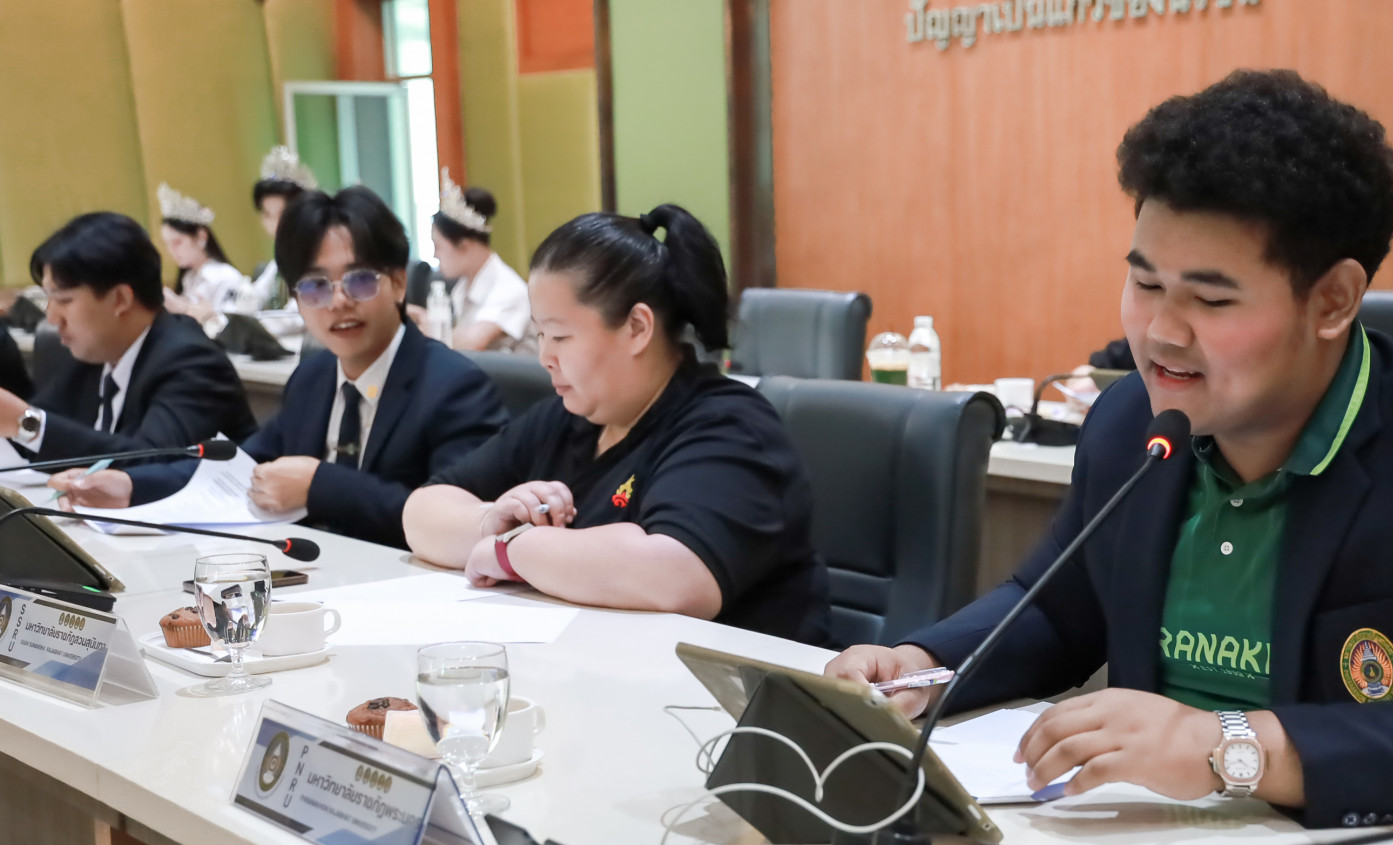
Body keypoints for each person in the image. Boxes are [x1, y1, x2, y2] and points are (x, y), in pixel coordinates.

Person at [826, 70, 1393, 829]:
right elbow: (1058, 608)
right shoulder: (1131, 421)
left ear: (1333, 300)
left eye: (1210, 299)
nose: (1161, 334)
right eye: (1145, 284)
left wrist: (1233, 748)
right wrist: (922, 665)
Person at [401, 204, 831, 644]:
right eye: (540, 334)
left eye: (561, 336)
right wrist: (490, 521)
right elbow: (421, 512)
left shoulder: (729, 426)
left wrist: (513, 549)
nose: (545, 356)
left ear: (637, 328)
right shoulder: (571, 417)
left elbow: (676, 578)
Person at [54, 188, 508, 549]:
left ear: (398, 282)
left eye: (359, 280)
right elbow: (239, 469)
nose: (338, 301)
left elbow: (462, 523)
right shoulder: (313, 378)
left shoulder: (453, 386)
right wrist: (130, 485)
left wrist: (320, 485)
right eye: (314, 286)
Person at [0, 212, 256, 459]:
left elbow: (152, 462)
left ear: (120, 299)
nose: (52, 317)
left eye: (64, 300)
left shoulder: (192, 362)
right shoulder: (94, 354)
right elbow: (47, 436)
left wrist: (26, 423)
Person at [408, 169, 533, 353]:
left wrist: (430, 327)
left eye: (438, 246)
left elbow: (473, 341)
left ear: (465, 246)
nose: (435, 255)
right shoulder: (463, 286)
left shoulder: (508, 289)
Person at [235, 146, 319, 313]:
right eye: (267, 215)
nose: (275, 223)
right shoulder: (279, 259)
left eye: (282, 214)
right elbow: (256, 297)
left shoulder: (317, 254)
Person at [157, 183, 248, 323]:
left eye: (177, 242)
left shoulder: (225, 276)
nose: (172, 251)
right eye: (168, 244)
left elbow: (234, 326)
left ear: (201, 236)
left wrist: (186, 309)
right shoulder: (189, 277)